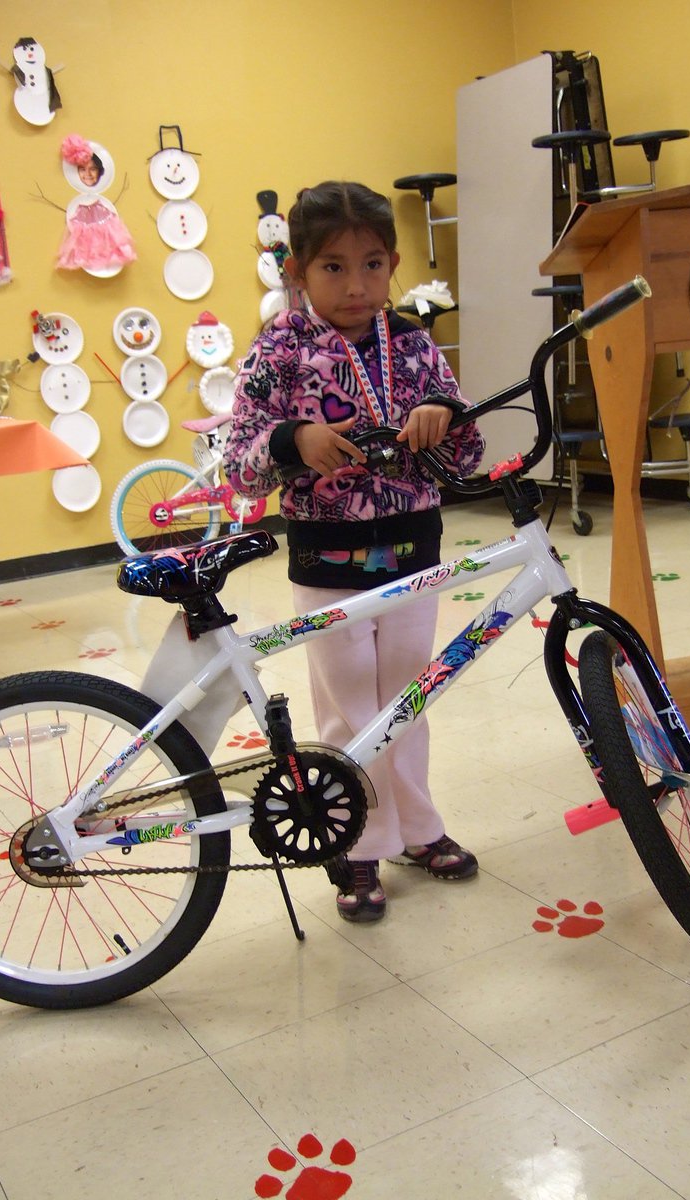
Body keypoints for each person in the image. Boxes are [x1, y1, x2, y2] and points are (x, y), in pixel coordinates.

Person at [224, 180, 485, 923]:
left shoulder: (413, 340)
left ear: (394, 263)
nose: (357, 284)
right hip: (326, 563)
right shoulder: (279, 346)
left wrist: (442, 415)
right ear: (296, 271)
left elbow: (468, 448)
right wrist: (293, 441)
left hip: (414, 551)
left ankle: (418, 829)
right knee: (348, 708)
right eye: (333, 267)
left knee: (409, 697)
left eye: (372, 264)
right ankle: (358, 841)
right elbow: (238, 458)